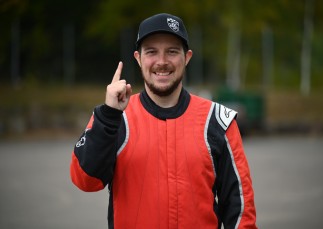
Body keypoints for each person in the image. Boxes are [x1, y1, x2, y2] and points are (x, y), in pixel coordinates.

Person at [70, 13, 257, 229]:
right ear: (138, 58)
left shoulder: (217, 121)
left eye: (172, 51)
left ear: (186, 57)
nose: (162, 62)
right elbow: (85, 181)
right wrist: (108, 116)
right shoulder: (114, 117)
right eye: (151, 52)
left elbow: (240, 209)